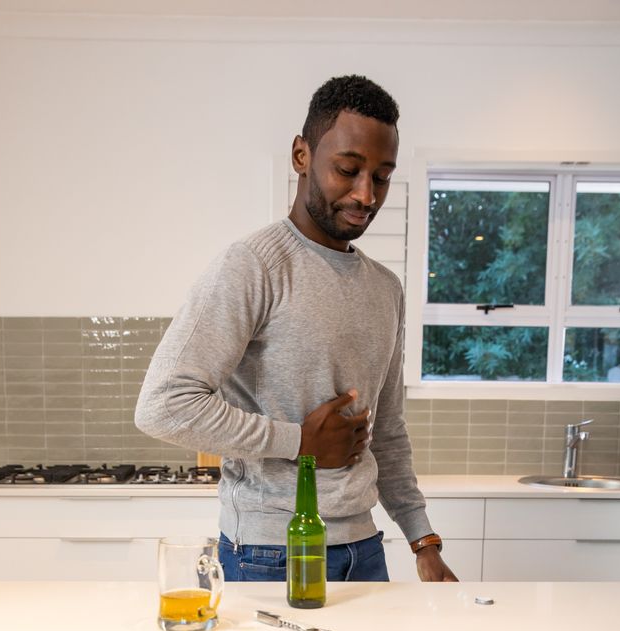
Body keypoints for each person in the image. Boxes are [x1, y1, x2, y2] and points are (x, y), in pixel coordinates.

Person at [135, 74, 457, 583]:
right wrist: (300, 442)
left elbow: (387, 431)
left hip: (364, 548)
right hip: (267, 550)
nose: (366, 194)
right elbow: (163, 406)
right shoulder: (252, 266)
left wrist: (423, 539)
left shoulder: (385, 288)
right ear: (301, 155)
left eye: (383, 176)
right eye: (348, 170)